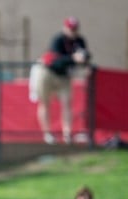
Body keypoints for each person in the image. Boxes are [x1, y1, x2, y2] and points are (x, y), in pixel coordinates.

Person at [31, 16, 90, 145]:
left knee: (67, 103)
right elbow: (56, 60)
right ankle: (48, 134)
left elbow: (86, 56)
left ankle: (67, 134)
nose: (72, 32)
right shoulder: (58, 40)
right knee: (45, 103)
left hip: (64, 76)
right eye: (70, 29)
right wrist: (73, 58)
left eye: (74, 29)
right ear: (65, 28)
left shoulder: (79, 41)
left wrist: (84, 59)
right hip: (48, 72)